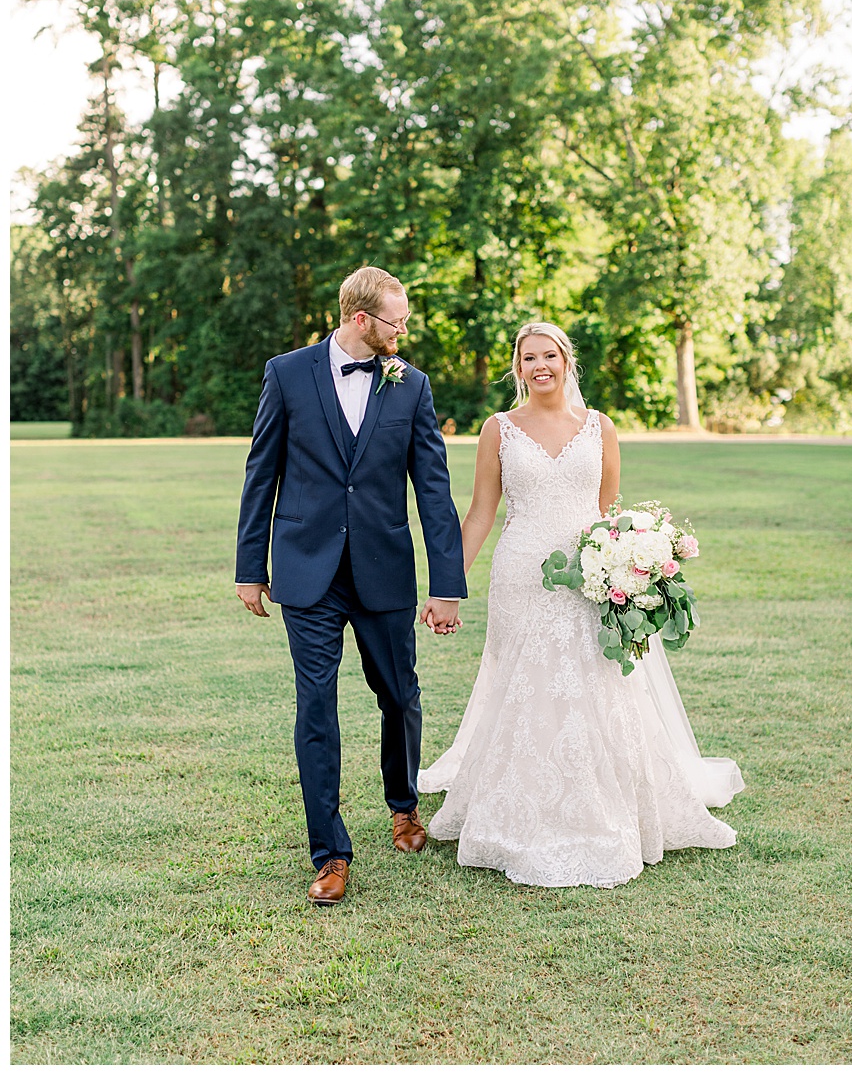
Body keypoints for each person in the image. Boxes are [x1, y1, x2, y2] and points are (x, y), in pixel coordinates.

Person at [418, 321, 742, 887]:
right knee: (526, 683)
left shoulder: (599, 427)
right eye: (528, 358)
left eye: (549, 355)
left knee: (595, 683)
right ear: (517, 368)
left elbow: (605, 510)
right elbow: (481, 513)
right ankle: (520, 803)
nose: (539, 366)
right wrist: (448, 587)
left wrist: (623, 564)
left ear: (567, 361)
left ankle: (602, 802)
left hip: (588, 575)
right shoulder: (498, 429)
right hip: (521, 574)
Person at [234, 266, 467, 906]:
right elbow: (261, 473)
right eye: (397, 320)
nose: (404, 331)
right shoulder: (286, 374)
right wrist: (250, 568)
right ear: (361, 319)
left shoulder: (411, 385)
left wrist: (446, 584)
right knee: (316, 707)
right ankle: (330, 853)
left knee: (400, 696)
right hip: (306, 572)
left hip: (383, 569)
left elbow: (434, 490)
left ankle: (403, 804)